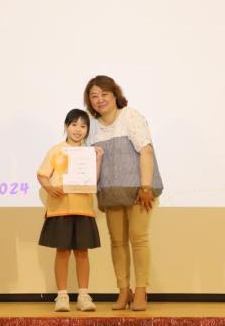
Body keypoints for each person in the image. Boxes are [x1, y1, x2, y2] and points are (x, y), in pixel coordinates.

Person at [84, 75, 163, 311]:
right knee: (117, 242)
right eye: (94, 96)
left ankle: (141, 291)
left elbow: (146, 151)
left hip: (139, 192)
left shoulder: (130, 116)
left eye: (104, 94)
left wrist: (146, 187)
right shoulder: (91, 126)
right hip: (111, 192)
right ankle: (123, 291)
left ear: (115, 95)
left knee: (138, 239)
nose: (100, 100)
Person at [37, 108, 104, 312]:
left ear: (87, 130)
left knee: (82, 252)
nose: (78, 129)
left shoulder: (89, 152)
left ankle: (83, 295)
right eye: (74, 124)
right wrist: (49, 188)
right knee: (62, 252)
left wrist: (98, 159)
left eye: (83, 126)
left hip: (83, 209)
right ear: (66, 126)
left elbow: (94, 179)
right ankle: (62, 296)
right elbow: (42, 175)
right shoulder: (56, 150)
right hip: (60, 209)